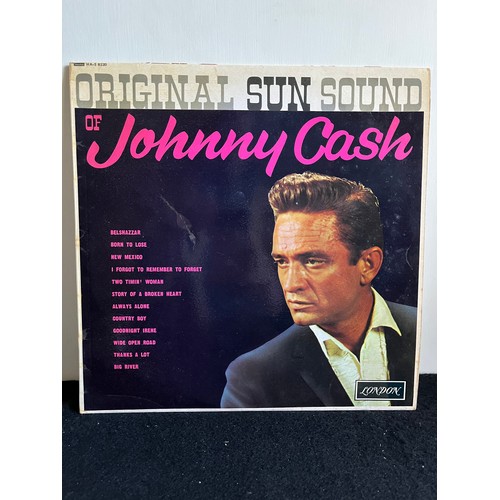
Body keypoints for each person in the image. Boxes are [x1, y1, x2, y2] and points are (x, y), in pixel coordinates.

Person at [220, 171, 417, 408]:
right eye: (282, 261)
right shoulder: (252, 378)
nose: (291, 284)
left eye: (312, 261)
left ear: (368, 264)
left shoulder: (430, 332)